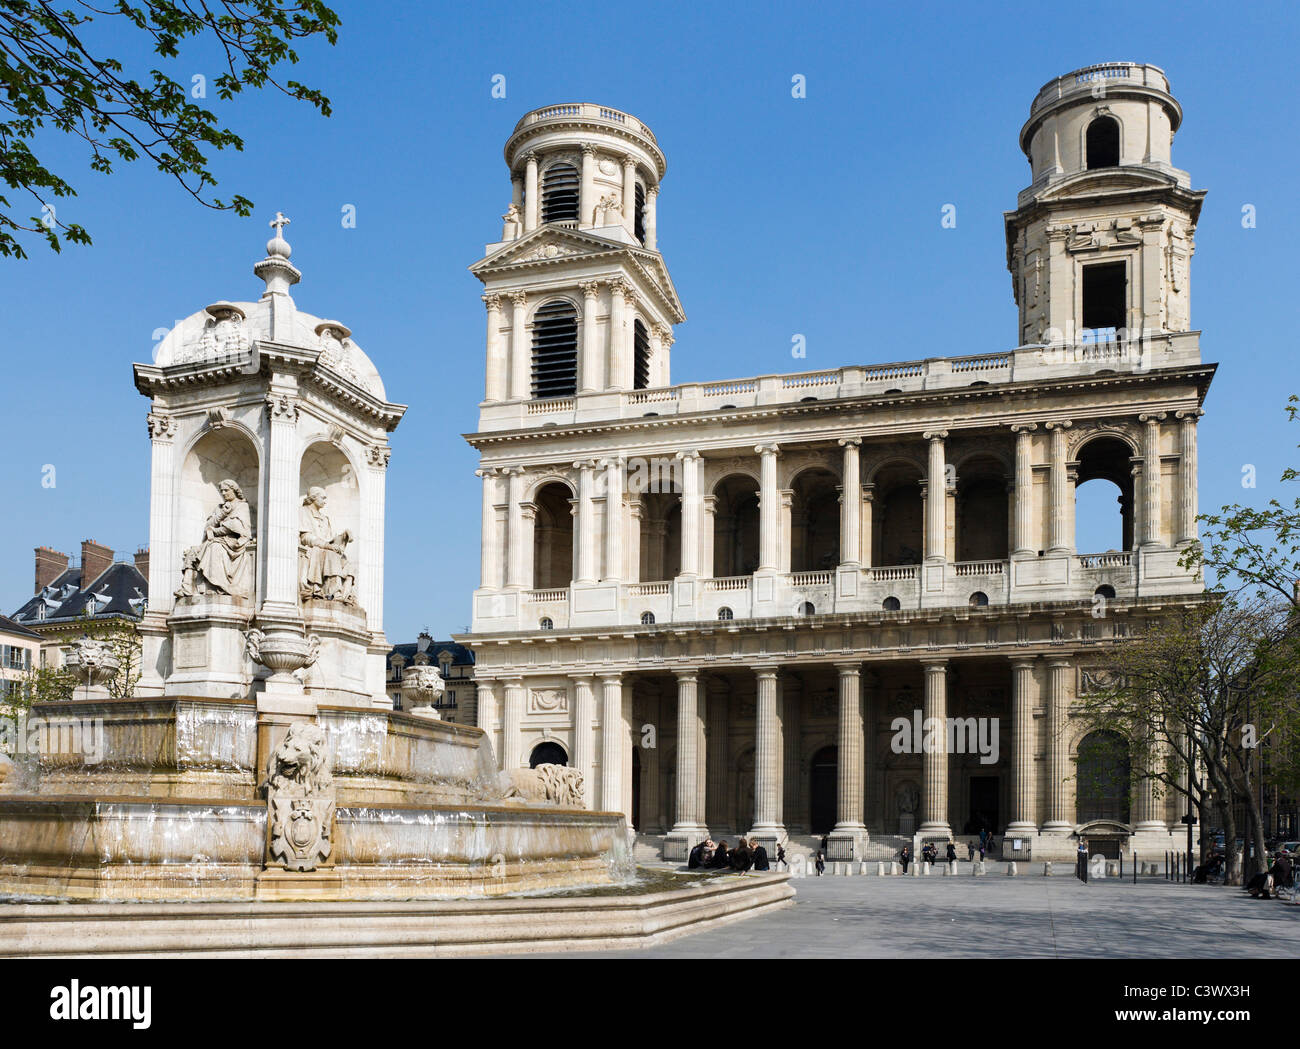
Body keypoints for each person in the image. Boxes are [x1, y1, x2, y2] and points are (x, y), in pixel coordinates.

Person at [176, 479, 254, 599]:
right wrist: (222, 514)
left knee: (214, 548)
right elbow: (208, 526)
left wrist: (215, 531)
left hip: (233, 543)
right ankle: (187, 589)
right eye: (221, 491)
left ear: (234, 490)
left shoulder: (241, 506)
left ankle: (216, 587)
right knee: (193, 551)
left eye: (226, 490)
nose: (223, 493)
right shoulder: (220, 508)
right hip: (216, 540)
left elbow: (236, 527)